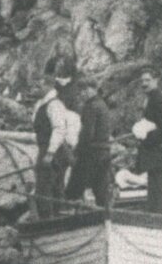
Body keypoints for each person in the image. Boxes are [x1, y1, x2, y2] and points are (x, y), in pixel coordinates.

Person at [32, 74, 82, 210]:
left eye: (39, 85)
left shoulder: (54, 104)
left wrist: (50, 152)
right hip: (47, 148)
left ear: (49, 86)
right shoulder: (42, 104)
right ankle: (57, 214)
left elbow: (59, 129)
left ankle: (48, 219)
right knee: (54, 185)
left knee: (45, 186)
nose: (36, 88)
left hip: (53, 150)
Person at [67, 79, 114, 210]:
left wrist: (76, 153)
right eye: (80, 91)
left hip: (91, 154)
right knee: (101, 190)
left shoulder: (90, 107)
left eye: (85, 90)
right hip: (105, 151)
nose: (82, 93)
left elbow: (87, 134)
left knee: (74, 189)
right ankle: (105, 217)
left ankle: (69, 220)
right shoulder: (102, 104)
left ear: (93, 89)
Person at [133, 69, 162, 209]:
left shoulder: (160, 101)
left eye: (148, 80)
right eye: (142, 81)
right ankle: (158, 218)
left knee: (156, 193)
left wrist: (145, 137)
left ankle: (158, 222)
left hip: (160, 155)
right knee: (155, 191)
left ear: (156, 80)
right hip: (155, 156)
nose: (144, 84)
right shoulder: (151, 99)